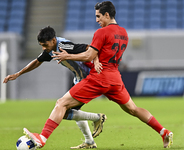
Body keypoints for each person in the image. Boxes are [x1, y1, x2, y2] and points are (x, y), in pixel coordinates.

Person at [22, 1, 173, 149]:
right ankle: (163, 131)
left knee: (61, 104)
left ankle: (42, 139)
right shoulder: (124, 33)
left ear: (107, 15)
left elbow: (88, 56)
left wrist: (67, 56)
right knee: (133, 109)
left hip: (99, 77)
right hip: (115, 78)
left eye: (99, 16)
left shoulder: (102, 32)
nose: (97, 20)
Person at [3, 26, 107, 149]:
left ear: (53, 40)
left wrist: (95, 60)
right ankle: (90, 140)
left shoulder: (64, 45)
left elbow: (89, 48)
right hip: (79, 79)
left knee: (62, 107)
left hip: (88, 78)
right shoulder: (49, 50)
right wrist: (18, 74)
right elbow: (37, 61)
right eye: (41, 45)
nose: (43, 48)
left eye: (45, 45)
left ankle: (96, 119)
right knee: (67, 110)